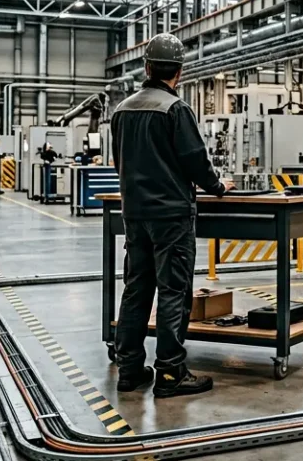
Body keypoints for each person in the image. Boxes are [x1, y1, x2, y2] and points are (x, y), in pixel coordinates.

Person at [111, 33, 232, 399]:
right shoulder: (176, 110)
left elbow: (119, 162)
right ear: (179, 72)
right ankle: (170, 373)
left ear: (147, 67)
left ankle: (129, 370)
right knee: (173, 292)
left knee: (136, 290)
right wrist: (218, 186)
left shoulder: (122, 110)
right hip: (171, 217)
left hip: (134, 214)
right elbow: (195, 161)